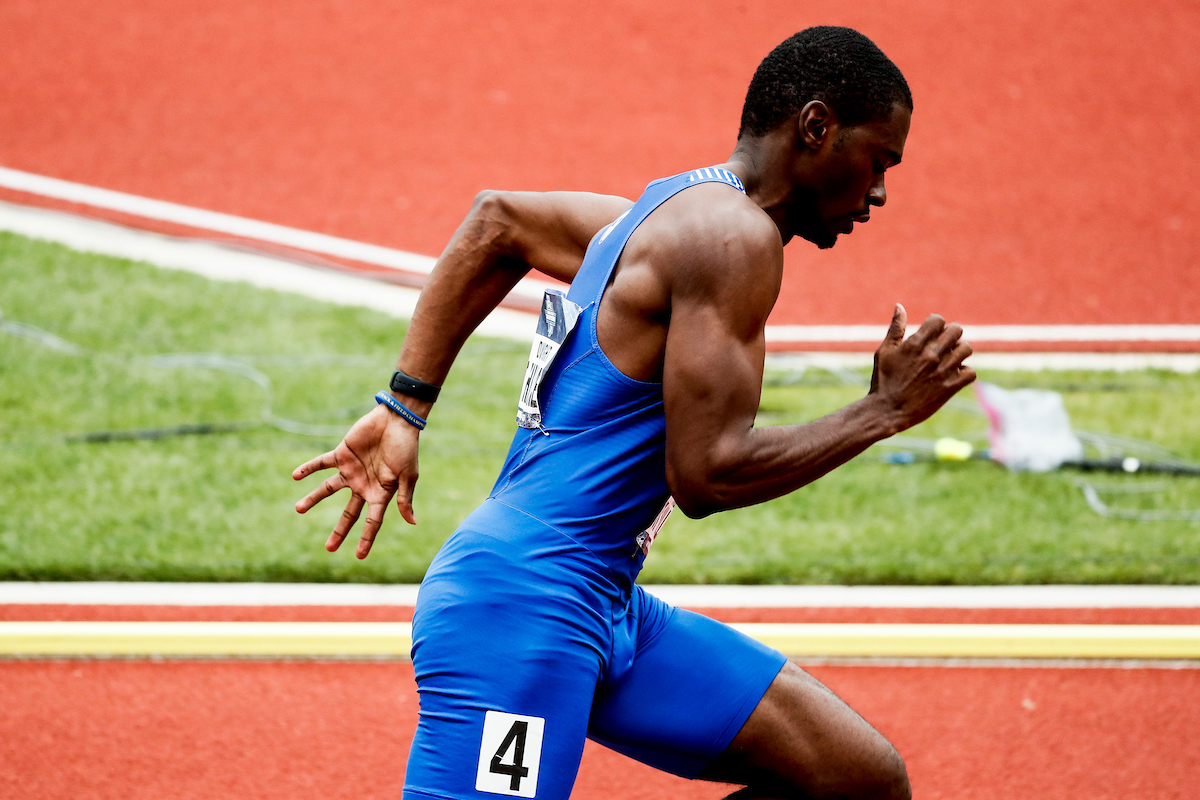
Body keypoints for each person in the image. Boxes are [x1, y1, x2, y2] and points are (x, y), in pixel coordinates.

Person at [294, 26, 974, 800]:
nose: (880, 192)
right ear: (816, 127)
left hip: (605, 605)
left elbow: (496, 222)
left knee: (856, 782)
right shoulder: (732, 238)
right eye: (878, 160)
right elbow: (706, 475)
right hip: (526, 609)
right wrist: (881, 412)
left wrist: (403, 407)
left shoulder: (664, 211)